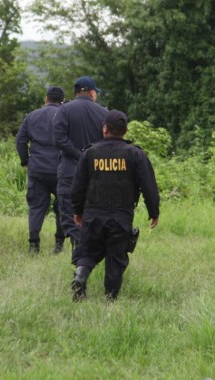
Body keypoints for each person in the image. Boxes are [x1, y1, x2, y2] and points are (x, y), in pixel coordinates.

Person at [70, 110, 160, 302]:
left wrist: (78, 211)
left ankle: (80, 276)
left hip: (93, 214)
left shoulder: (89, 153)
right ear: (125, 131)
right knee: (116, 256)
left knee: (87, 250)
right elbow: (149, 185)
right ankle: (110, 299)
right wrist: (154, 211)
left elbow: (77, 186)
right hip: (120, 216)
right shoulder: (135, 154)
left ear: (105, 129)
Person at [52, 76, 109, 261]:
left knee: (69, 216)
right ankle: (86, 254)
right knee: (92, 215)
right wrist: (89, 157)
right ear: (92, 93)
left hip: (69, 172)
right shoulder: (103, 112)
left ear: (76, 92)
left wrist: (78, 155)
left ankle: (79, 252)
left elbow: (58, 139)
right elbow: (108, 142)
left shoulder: (64, 110)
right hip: (96, 174)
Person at [15, 86, 66, 254]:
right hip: (61, 169)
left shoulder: (32, 116)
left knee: (37, 206)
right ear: (62, 100)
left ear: (46, 99)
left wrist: (26, 161)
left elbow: (20, 140)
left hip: (37, 168)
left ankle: (34, 245)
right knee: (62, 206)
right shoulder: (66, 115)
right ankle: (59, 245)